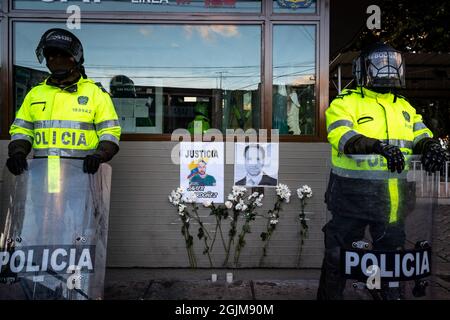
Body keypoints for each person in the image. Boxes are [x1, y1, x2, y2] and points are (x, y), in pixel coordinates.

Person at [317, 42, 447, 300]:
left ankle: (387, 294)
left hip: (395, 202)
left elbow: (420, 133)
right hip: (350, 199)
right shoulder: (346, 102)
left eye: (392, 63)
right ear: (363, 68)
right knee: (338, 256)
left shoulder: (404, 106)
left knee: (391, 258)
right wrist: (377, 147)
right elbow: (341, 136)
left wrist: (431, 145)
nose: (387, 68)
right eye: (379, 62)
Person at [6, 28, 121, 176]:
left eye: (62, 55)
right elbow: (22, 130)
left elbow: (110, 132)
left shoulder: (95, 93)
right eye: (51, 56)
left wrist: (99, 155)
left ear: (75, 58)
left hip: (82, 174)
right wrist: (18, 153)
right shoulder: (35, 94)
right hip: (42, 174)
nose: (56, 60)